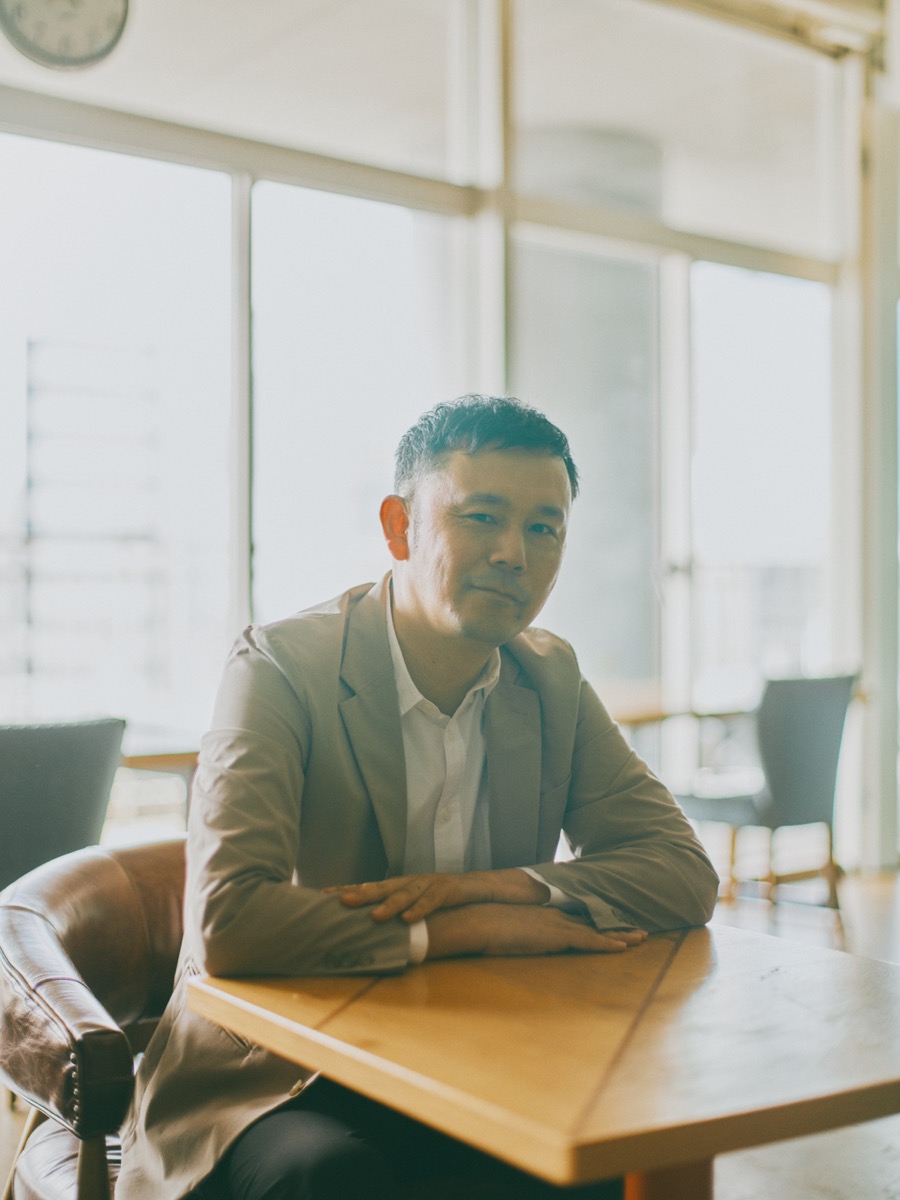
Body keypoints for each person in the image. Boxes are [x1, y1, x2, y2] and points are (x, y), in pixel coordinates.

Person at [117, 394, 718, 1200]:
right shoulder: (281, 668)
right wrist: (468, 927)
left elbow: (682, 872)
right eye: (482, 517)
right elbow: (229, 922)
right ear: (399, 528)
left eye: (545, 528)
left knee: (599, 1162)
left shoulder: (550, 678)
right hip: (272, 1074)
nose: (514, 553)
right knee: (329, 1179)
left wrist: (495, 889)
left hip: (468, 1054)